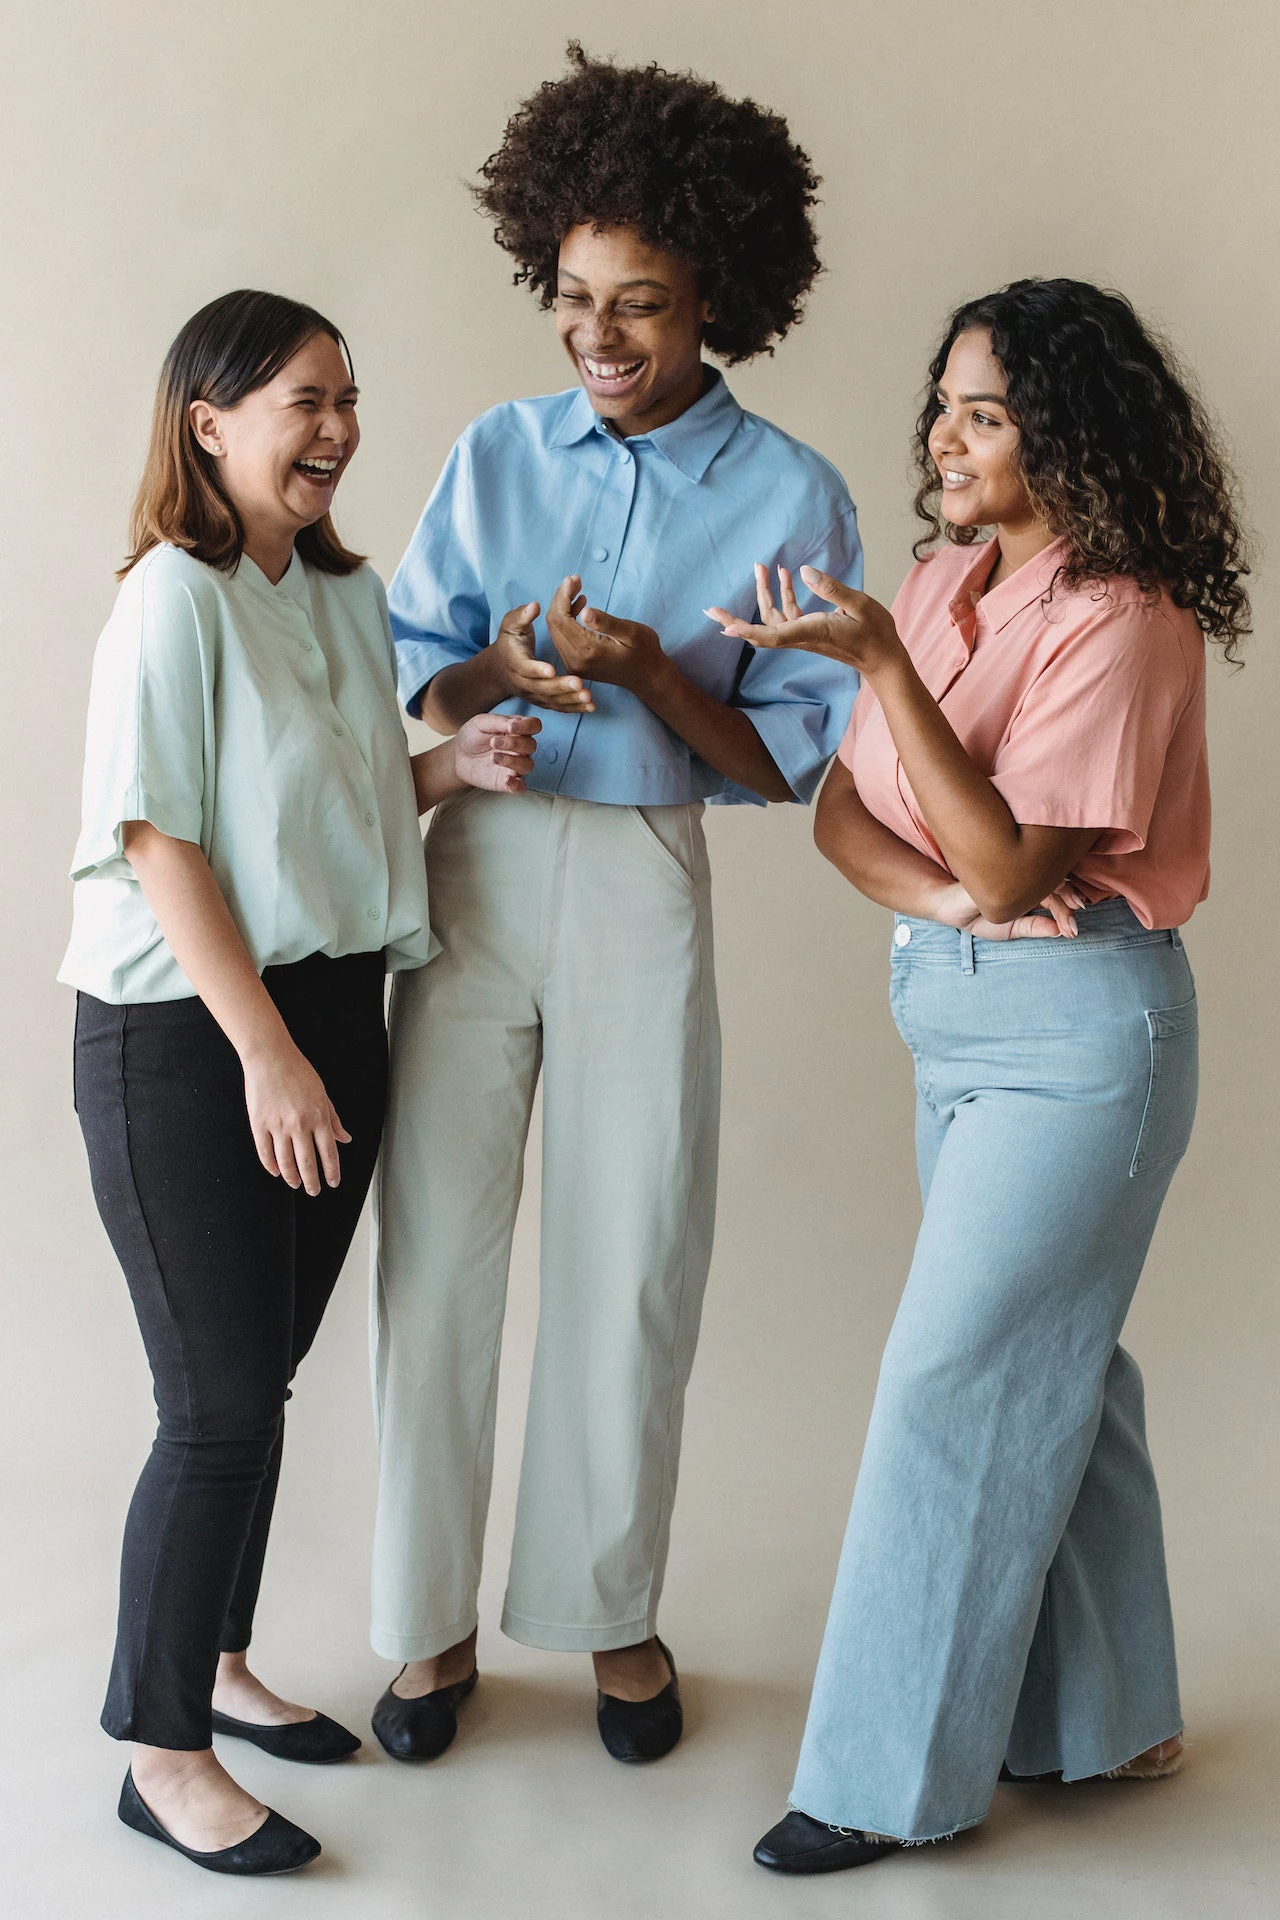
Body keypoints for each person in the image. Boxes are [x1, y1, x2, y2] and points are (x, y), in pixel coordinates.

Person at [705, 278, 1250, 1871]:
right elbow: (841, 822)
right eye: (943, 401)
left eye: (985, 411)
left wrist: (882, 675)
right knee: (1060, 1357)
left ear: (1066, 432)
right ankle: (1112, 1722)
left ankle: (882, 1779)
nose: (944, 435)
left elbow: (1020, 865)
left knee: (955, 1377)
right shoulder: (946, 579)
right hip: (952, 1015)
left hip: (1086, 1041)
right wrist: (948, 901)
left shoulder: (1126, 618)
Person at [369, 44, 860, 1765]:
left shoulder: (795, 492)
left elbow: (788, 756)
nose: (600, 334)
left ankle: (608, 1612)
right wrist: (497, 670)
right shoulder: (497, 449)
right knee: (436, 1242)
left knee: (633, 1246)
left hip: (647, 872)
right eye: (575, 297)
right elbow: (417, 668)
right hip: (480, 858)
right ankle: (423, 1627)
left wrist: (649, 670)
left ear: (714, 293)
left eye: (640, 303)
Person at [60, 289, 538, 1876]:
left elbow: (323, 809)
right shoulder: (171, 601)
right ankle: (158, 1746)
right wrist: (263, 1050)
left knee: (252, 1389)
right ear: (210, 421)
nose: (336, 429)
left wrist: (450, 765)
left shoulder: (344, 597)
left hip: (339, 1018)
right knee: (209, 1406)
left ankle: (215, 1658)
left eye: (347, 397)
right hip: (196, 1036)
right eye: (301, 402)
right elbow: (162, 838)